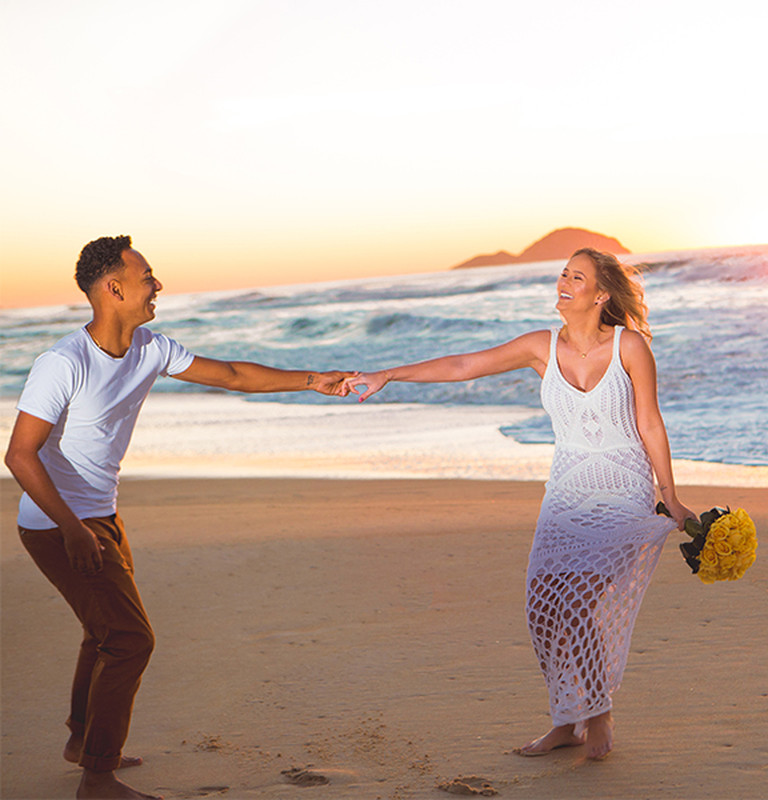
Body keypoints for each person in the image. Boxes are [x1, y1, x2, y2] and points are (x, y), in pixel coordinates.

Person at [4, 236, 356, 800]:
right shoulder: (62, 363)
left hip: (101, 514)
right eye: (147, 276)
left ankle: (81, 742)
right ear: (113, 287)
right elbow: (19, 454)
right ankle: (97, 777)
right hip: (56, 523)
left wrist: (314, 379)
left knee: (105, 634)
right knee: (129, 640)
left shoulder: (150, 347)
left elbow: (235, 374)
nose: (157, 285)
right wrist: (71, 527)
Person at [350, 247, 695, 760]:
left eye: (576, 277)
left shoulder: (630, 347)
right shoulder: (541, 346)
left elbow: (649, 422)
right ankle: (565, 719)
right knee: (541, 608)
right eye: (562, 273)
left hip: (622, 488)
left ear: (600, 295)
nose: (563, 281)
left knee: (576, 602)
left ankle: (598, 716)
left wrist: (671, 497)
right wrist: (388, 374)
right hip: (566, 492)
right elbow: (465, 364)